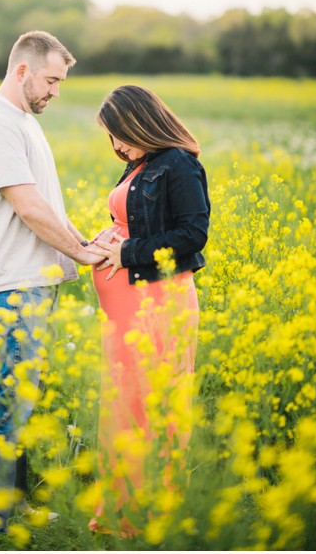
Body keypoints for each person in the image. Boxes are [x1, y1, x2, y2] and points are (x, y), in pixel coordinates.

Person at [0, 31, 104, 534]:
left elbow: (46, 204)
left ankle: (10, 508)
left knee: (17, 402)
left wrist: (86, 238)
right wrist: (81, 253)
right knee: (5, 400)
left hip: (28, 283)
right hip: (10, 286)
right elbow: (27, 206)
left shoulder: (20, 120)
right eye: (51, 80)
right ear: (22, 71)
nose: (56, 91)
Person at [86, 84, 210, 537]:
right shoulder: (139, 165)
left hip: (157, 301)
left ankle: (148, 512)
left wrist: (127, 253)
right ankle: (119, 509)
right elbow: (129, 222)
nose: (117, 145)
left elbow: (192, 235)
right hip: (124, 305)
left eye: (120, 133)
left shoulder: (178, 163)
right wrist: (103, 242)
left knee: (151, 404)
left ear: (141, 121)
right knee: (123, 403)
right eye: (111, 138)